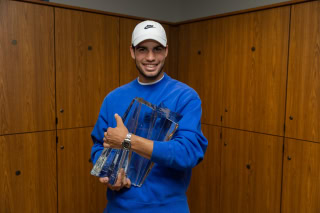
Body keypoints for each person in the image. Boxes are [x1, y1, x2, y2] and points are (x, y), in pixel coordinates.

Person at [91, 20, 208, 213]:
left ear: (166, 51)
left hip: (168, 207)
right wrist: (108, 174)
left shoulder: (185, 96)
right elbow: (98, 147)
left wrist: (127, 140)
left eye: (157, 49)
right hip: (120, 206)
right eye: (143, 49)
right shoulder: (113, 98)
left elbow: (188, 153)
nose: (150, 57)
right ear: (132, 52)